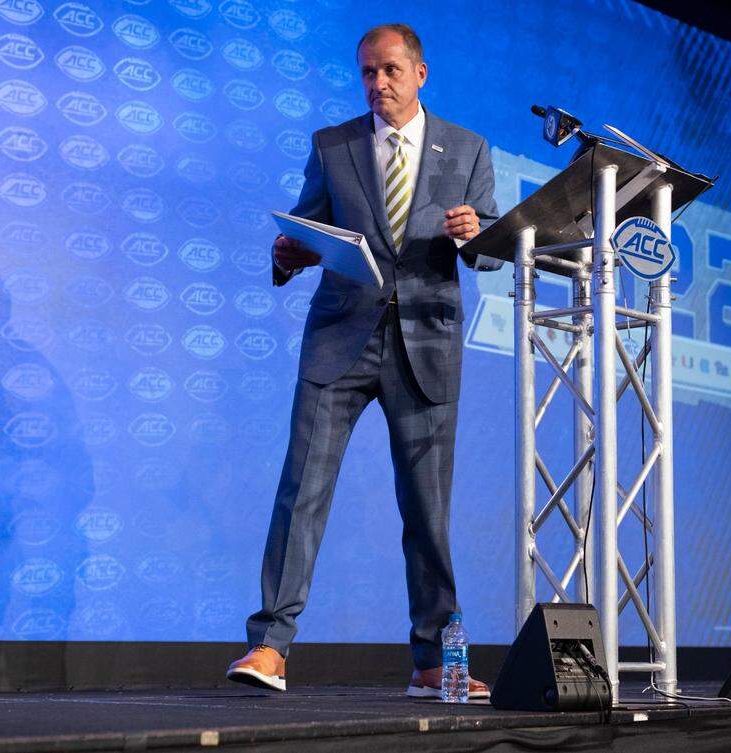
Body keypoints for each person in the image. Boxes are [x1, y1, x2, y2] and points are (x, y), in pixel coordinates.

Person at [226, 23, 500, 698]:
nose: (378, 83)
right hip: (339, 340)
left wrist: (476, 233)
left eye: (390, 71)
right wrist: (288, 255)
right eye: (368, 73)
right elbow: (304, 229)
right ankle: (269, 646)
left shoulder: (468, 148)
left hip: (426, 344)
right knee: (302, 492)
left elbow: (491, 247)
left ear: (420, 73)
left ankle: (435, 661)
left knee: (428, 510)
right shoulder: (334, 145)